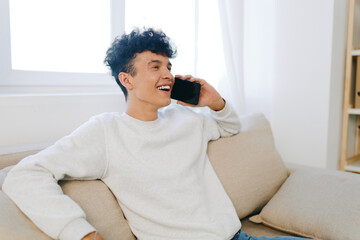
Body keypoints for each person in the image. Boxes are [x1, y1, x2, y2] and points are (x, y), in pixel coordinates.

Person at [3, 28, 311, 240]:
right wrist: (81, 233)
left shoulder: (187, 118)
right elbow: (24, 175)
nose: (168, 74)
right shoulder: (106, 131)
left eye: (168, 66)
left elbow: (230, 127)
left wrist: (215, 102)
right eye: (155, 66)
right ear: (128, 80)